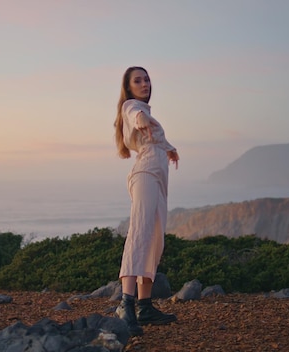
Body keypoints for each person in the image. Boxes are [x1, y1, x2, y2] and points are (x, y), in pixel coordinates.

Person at [113, 66, 180, 336]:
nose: (145, 84)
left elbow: (155, 140)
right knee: (140, 234)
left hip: (156, 176)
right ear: (129, 88)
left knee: (155, 239)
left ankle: (145, 306)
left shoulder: (146, 112)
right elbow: (134, 115)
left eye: (147, 79)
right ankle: (125, 304)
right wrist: (140, 117)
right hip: (145, 175)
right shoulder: (132, 106)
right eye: (138, 81)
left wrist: (170, 149)